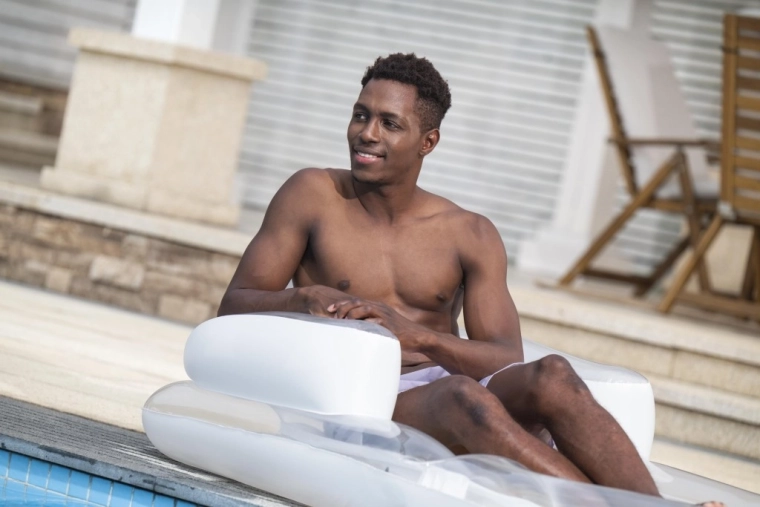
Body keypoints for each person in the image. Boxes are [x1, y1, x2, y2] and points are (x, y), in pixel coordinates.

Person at [217, 53, 720, 504]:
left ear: (428, 141)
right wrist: (302, 297)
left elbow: (503, 355)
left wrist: (417, 336)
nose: (367, 133)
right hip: (360, 394)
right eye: (360, 115)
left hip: (446, 382)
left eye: (390, 123)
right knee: (463, 396)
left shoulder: (469, 233)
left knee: (552, 375)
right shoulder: (313, 194)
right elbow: (234, 302)